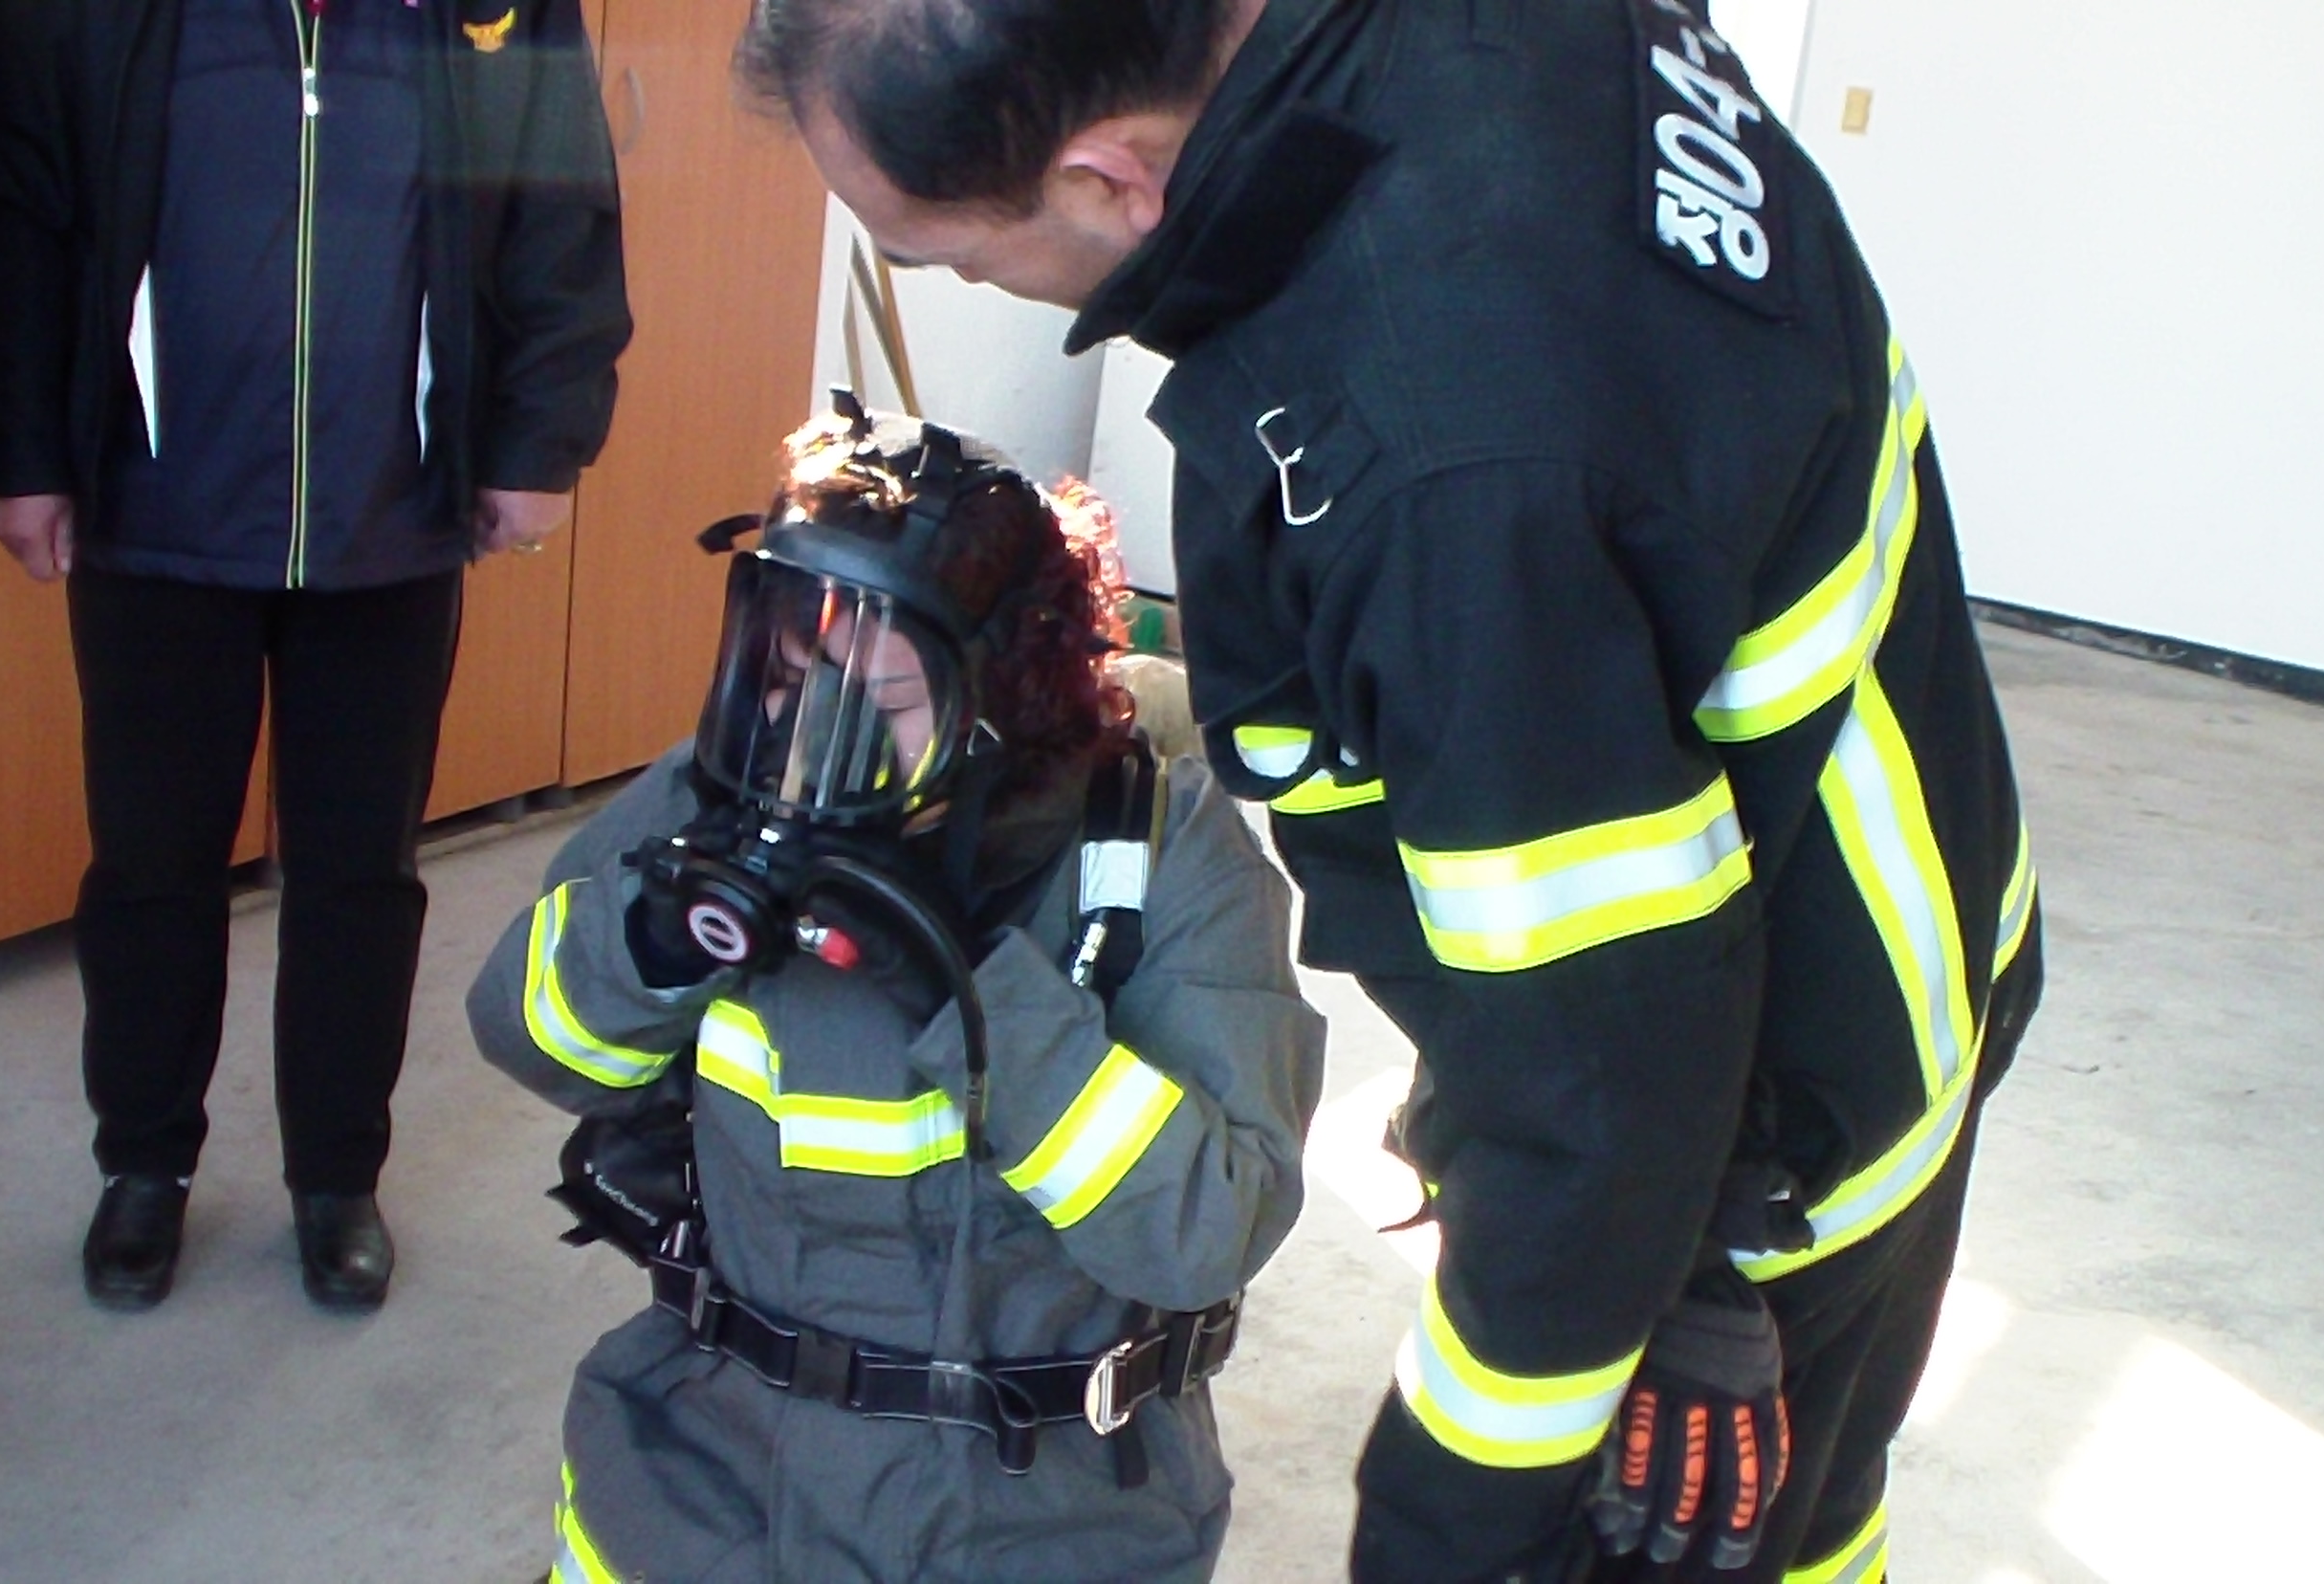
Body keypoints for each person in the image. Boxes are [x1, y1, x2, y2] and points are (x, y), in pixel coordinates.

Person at [736, 3, 2046, 1581]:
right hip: (1907, 878)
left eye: (948, 256)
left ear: (1108, 178)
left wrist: (1667, 1292)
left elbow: (1600, 1079)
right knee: (1811, 1517)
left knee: (1697, 1527)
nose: (967, 283)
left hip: (1786, 1102)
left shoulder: (1438, 470)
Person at [469, 405, 1326, 1581]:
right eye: (785, 679)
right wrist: (652, 942)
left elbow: (1206, 1234)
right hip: (707, 1485)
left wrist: (971, 995)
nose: (810, 739)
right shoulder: (703, 800)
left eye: (877, 698)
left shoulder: (1153, 852)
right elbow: (526, 1035)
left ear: (1003, 692)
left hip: (1033, 1519)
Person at [0, 0, 631, 1312]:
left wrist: (536, 440)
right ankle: (144, 1165)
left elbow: (561, 210)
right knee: (150, 865)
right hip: (155, 515)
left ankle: (337, 1179)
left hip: (388, 523)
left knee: (360, 871)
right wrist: (22, 454)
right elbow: (22, 226)